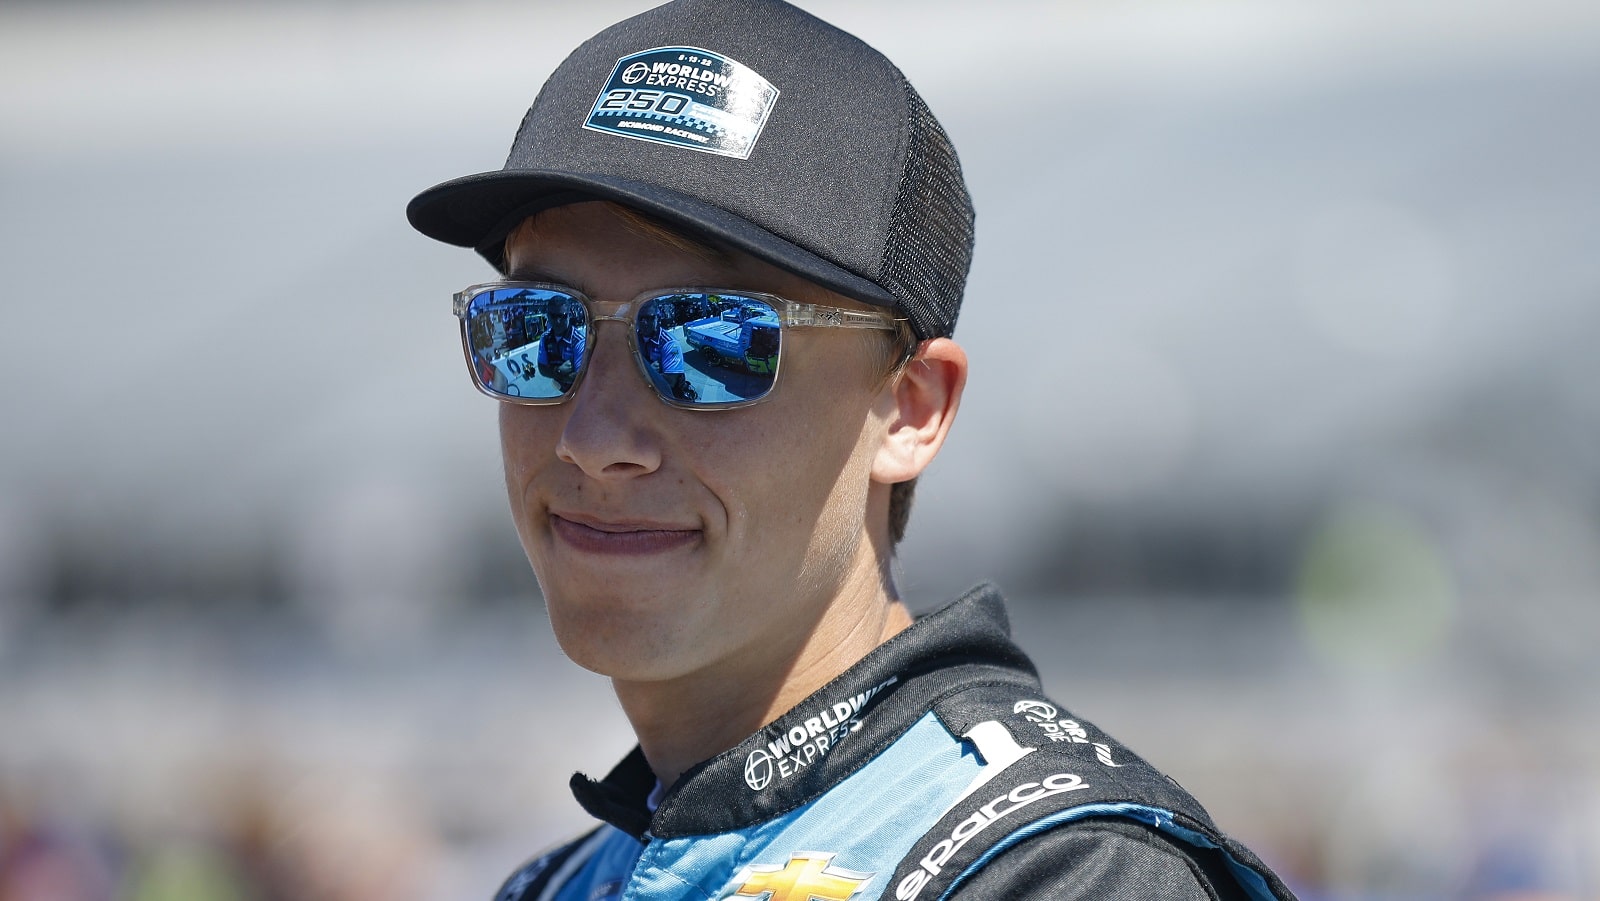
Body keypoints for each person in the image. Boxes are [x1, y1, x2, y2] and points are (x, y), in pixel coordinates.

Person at [407, 0, 1298, 898]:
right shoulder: (553, 886)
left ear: (910, 409)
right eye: (534, 329)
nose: (594, 439)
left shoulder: (1061, 873)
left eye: (710, 344)